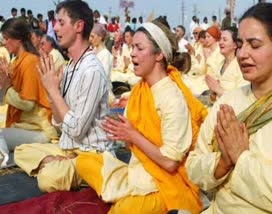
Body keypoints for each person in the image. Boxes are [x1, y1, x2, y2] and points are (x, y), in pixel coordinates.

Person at [186, 3, 272, 213]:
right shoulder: (227, 102)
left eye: (255, 45)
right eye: (240, 44)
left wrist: (242, 158)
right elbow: (193, 166)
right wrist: (222, 163)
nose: (242, 54)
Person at [76, 18, 208, 213]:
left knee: (124, 210)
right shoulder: (141, 90)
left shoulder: (172, 98)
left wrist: (132, 135)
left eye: (139, 48)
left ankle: (128, 199)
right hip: (139, 172)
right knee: (84, 160)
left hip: (162, 184)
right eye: (132, 47)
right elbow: (134, 141)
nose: (132, 53)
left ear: (159, 54)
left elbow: (170, 163)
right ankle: (123, 193)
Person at [14, 0, 113, 192]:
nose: (55, 28)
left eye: (61, 22)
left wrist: (52, 91)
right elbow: (58, 124)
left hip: (92, 155)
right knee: (21, 150)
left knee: (48, 179)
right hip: (68, 149)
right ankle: (55, 161)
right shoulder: (69, 67)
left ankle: (58, 166)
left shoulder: (91, 70)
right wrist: (53, 95)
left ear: (78, 26)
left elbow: (76, 130)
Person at [0, 18, 58, 167]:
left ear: (18, 39)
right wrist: (7, 79)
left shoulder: (30, 61)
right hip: (24, 125)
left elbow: (27, 104)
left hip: (38, 128)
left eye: (6, 39)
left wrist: (7, 87)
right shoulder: (17, 62)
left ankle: (3, 159)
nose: (4, 43)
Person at [205, 26, 248, 100]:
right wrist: (213, 94)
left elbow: (241, 99)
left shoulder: (240, 66)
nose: (220, 42)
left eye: (224, 40)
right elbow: (214, 98)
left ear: (235, 45)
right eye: (220, 39)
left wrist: (218, 90)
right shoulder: (221, 64)